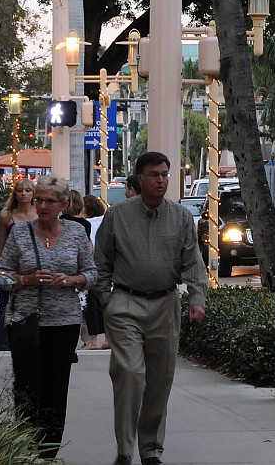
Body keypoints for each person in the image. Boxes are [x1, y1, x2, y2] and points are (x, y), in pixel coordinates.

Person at [94, 152, 208, 465]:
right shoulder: (117, 216)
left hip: (165, 303)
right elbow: (101, 262)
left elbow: (194, 263)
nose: (160, 181)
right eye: (154, 175)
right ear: (140, 179)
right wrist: (107, 299)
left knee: (159, 380)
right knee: (130, 373)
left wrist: (197, 299)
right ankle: (124, 450)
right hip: (125, 303)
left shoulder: (181, 216)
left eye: (164, 175)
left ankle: (151, 449)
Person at [0, 174, 97, 459]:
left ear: (64, 204)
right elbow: (3, 275)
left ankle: (48, 452)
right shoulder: (20, 233)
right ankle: (24, 449)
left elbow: (92, 274)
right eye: (39, 200)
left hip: (63, 322)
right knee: (27, 389)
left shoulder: (77, 233)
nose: (42, 206)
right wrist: (26, 280)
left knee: (55, 389)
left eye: (49, 201)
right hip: (26, 320)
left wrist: (72, 279)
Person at [0, 178, 38, 351]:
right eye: (20, 190)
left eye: (28, 190)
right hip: (10, 266)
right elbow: (0, 245)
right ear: (15, 194)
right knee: (6, 304)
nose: (24, 193)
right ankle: (2, 343)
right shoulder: (6, 216)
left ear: (33, 194)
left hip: (34, 265)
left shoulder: (40, 213)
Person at [81, 194, 108, 349]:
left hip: (92, 267)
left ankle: (93, 340)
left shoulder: (86, 224)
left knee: (91, 303)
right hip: (106, 267)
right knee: (105, 303)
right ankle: (108, 339)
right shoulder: (106, 221)